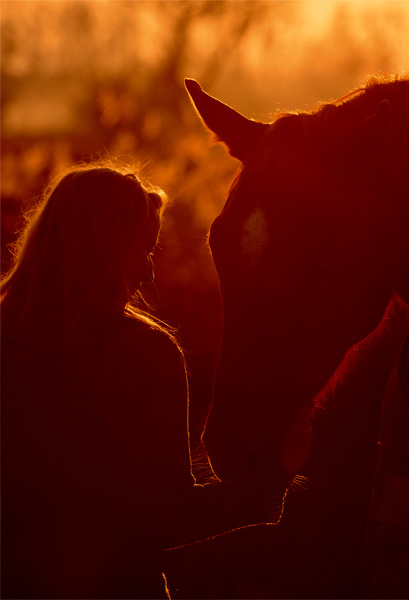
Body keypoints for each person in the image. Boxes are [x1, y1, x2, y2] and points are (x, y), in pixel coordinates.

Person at [1, 161, 311, 599]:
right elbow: (168, 515)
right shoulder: (144, 354)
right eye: (145, 250)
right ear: (106, 248)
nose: (148, 274)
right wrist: (278, 474)